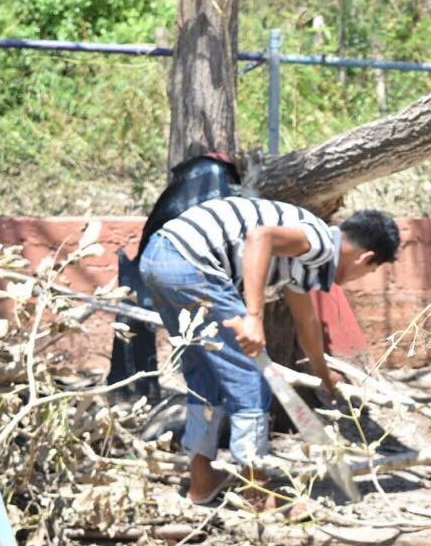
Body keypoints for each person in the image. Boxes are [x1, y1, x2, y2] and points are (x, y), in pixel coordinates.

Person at [138, 197, 400, 504]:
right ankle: (258, 496)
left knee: (205, 375)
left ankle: (202, 481)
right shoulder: (320, 240)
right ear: (366, 258)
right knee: (252, 376)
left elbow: (307, 323)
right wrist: (254, 317)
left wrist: (324, 375)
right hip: (191, 262)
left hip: (158, 257)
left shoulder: (305, 258)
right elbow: (259, 237)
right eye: (370, 271)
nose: (362, 278)